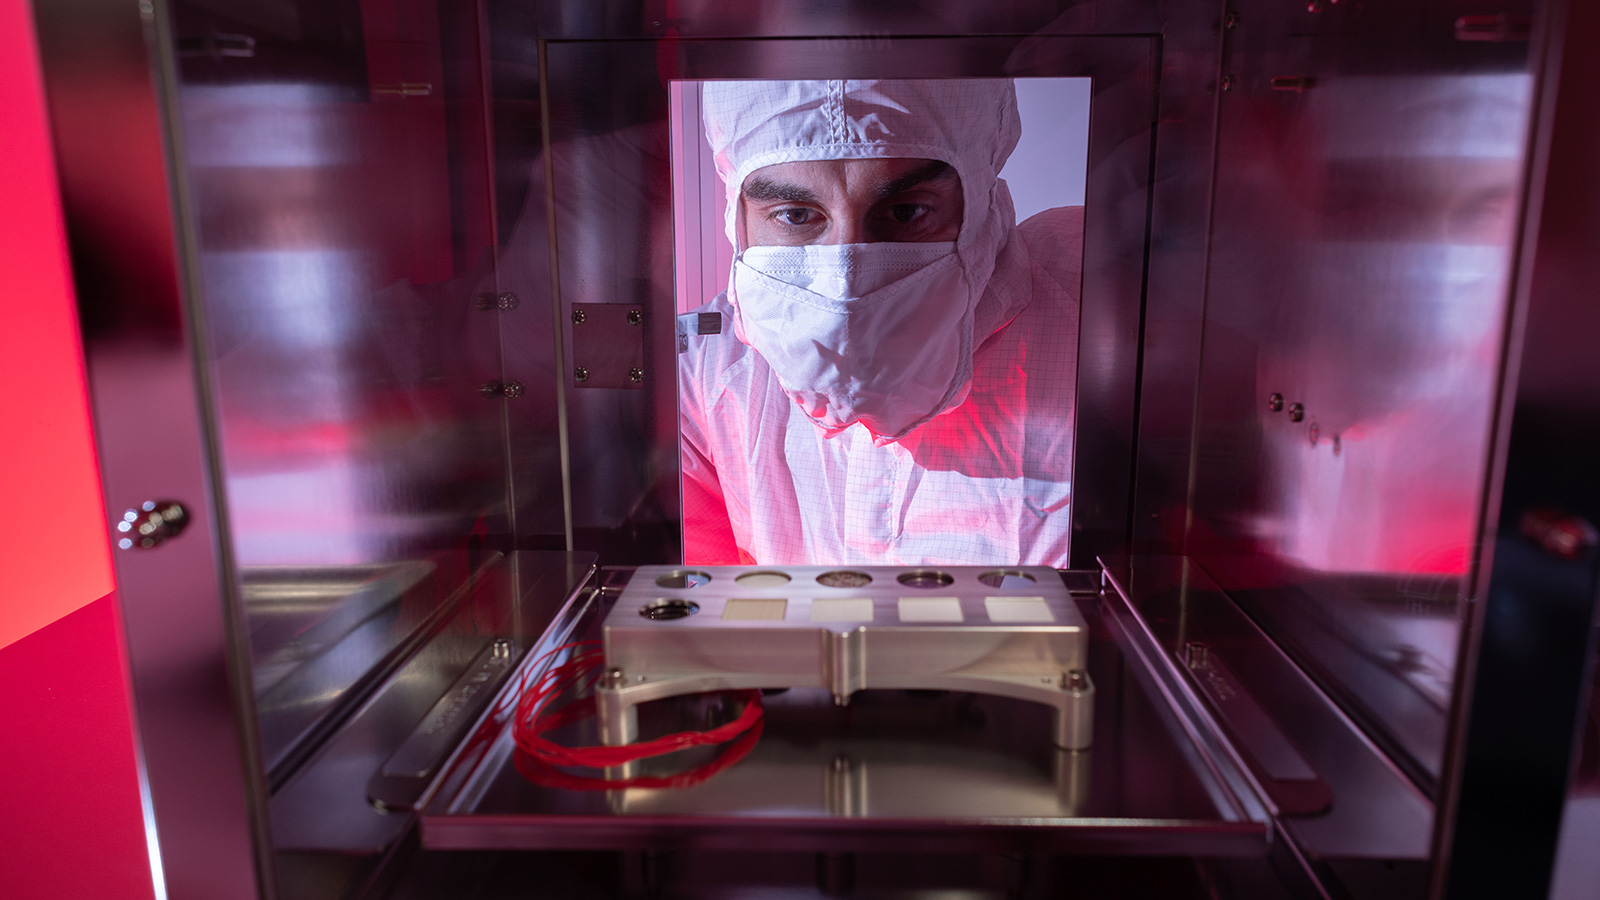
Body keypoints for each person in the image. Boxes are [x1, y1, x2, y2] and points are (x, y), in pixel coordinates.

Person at [678, 79, 1082, 566]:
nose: (847, 282)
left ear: (979, 195)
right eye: (795, 214)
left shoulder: (1102, 314)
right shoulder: (703, 374)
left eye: (905, 212)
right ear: (739, 216)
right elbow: (677, 611)